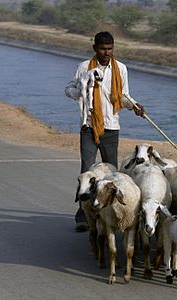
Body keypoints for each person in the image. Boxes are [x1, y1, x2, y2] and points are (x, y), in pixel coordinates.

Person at [65, 31, 145, 232]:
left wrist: (134, 106)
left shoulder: (121, 69)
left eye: (110, 49)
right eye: (102, 49)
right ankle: (82, 214)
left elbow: (123, 96)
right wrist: (82, 90)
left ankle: (108, 212)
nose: (106, 52)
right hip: (89, 126)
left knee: (112, 171)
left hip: (111, 127)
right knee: (87, 170)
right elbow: (69, 89)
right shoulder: (84, 67)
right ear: (95, 49)